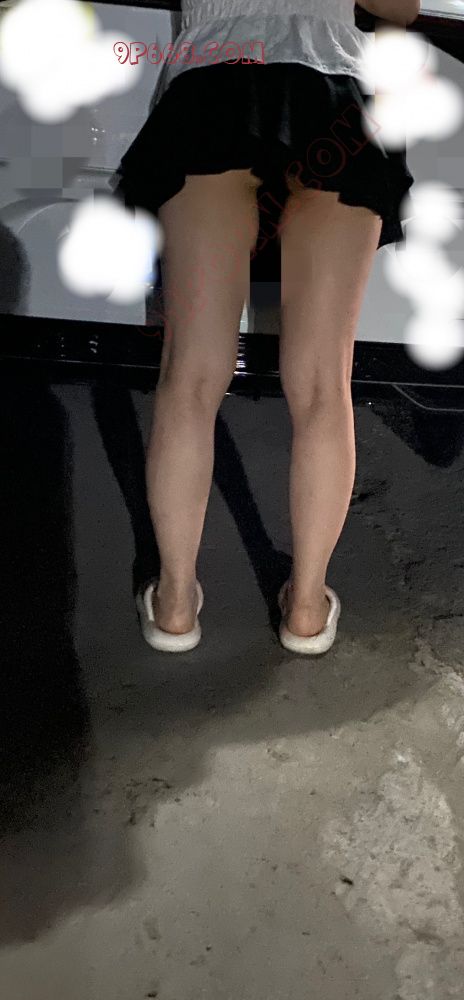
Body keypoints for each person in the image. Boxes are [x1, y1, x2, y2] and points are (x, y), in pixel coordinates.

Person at [110, 0, 420, 655]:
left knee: (192, 375)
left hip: (213, 83)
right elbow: (401, 7)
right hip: (336, 93)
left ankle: (174, 603)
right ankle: (306, 609)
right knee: (323, 384)